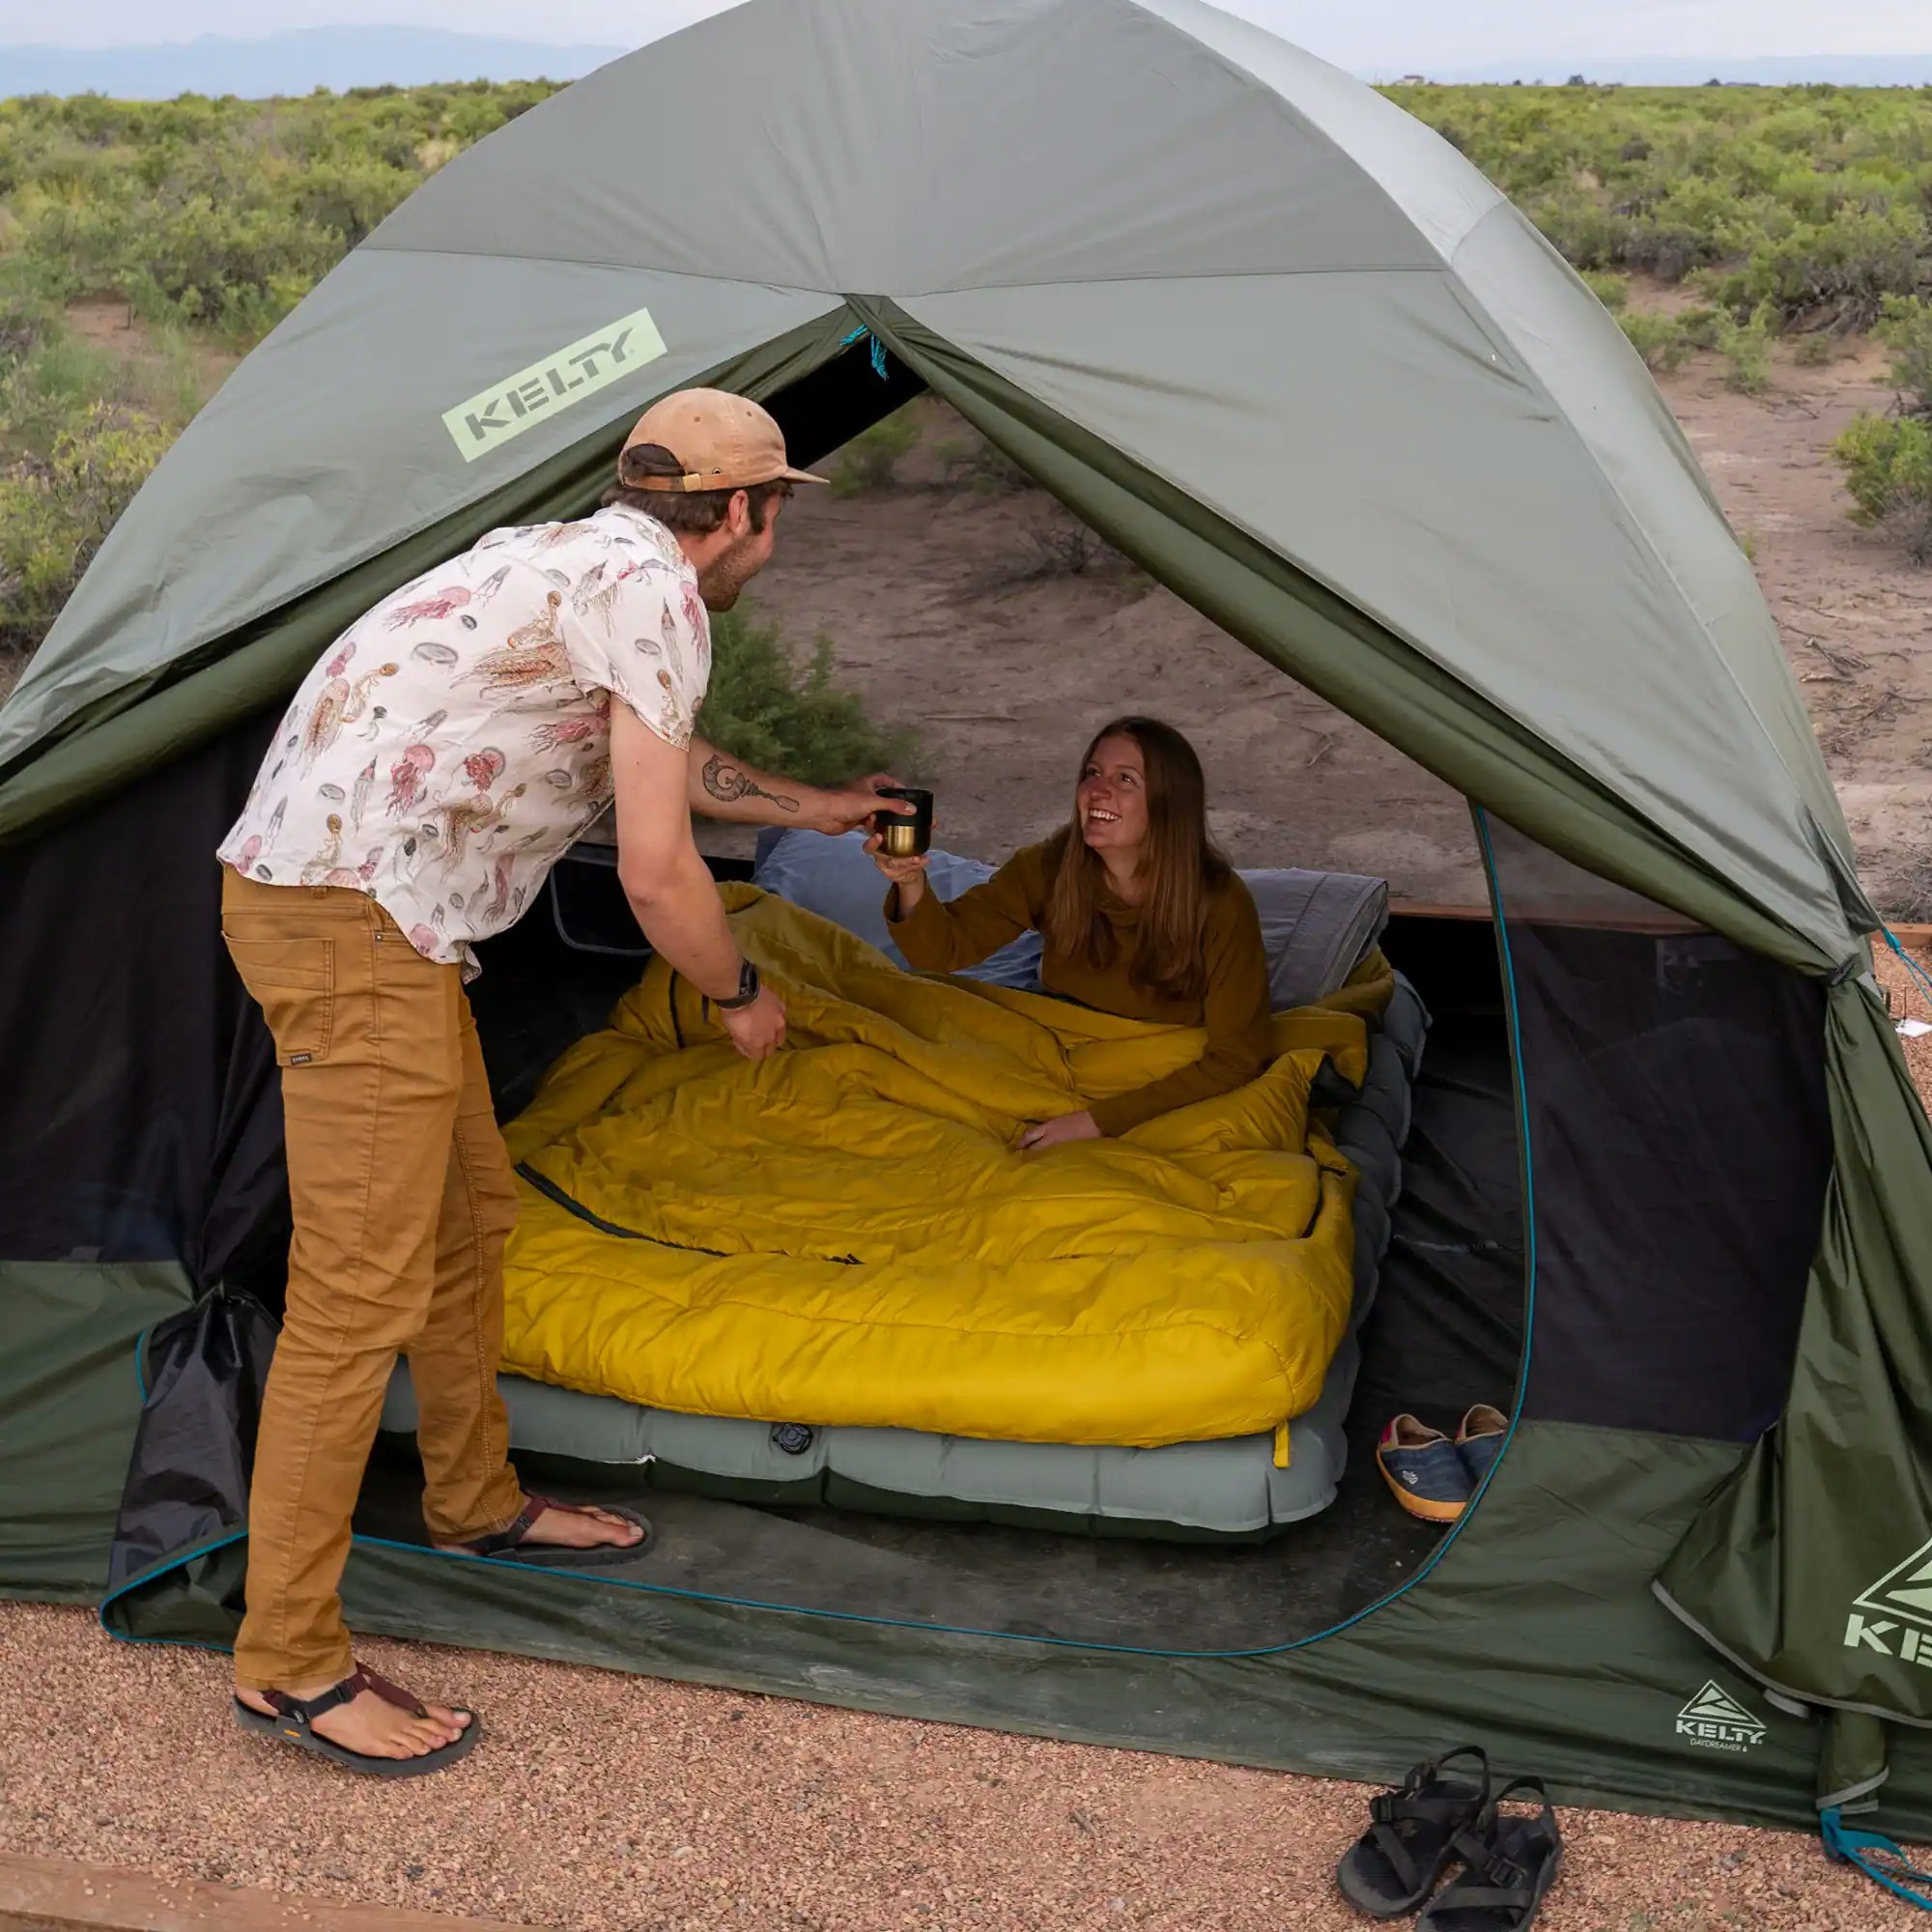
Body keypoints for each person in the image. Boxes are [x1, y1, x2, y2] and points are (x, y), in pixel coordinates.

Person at [215, 387, 910, 1775]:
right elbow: (656, 873)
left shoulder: (586, 561)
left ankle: (474, 1502)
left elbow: (664, 759)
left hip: (377, 918)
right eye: (775, 506)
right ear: (742, 513)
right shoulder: (658, 597)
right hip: (352, 922)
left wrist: (815, 806)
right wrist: (741, 996)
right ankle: (286, 1660)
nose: (773, 528)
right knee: (359, 1297)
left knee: (472, 1219)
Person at [870, 717, 1271, 1146]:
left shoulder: (1219, 903)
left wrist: (1096, 1122)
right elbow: (944, 950)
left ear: (1169, 802)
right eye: (1092, 774)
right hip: (1056, 1047)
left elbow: (1237, 1057)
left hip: (1161, 1075)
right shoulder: (1051, 867)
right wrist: (909, 880)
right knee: (889, 1032)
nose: (1099, 791)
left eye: (1126, 780)